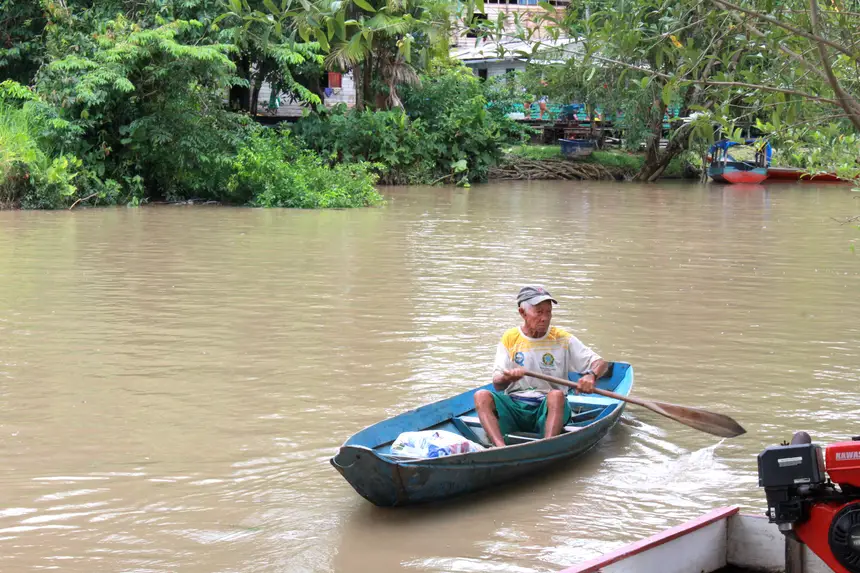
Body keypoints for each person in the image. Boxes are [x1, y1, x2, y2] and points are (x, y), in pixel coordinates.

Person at [474, 285, 608, 447]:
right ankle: (499, 447)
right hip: (515, 406)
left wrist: (591, 375)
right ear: (522, 313)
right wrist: (507, 377)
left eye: (548, 312)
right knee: (481, 396)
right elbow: (497, 384)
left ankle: (546, 447)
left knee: (556, 395)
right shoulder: (510, 338)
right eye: (539, 312)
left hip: (548, 407)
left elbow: (601, 363)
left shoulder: (562, 339)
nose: (545, 318)